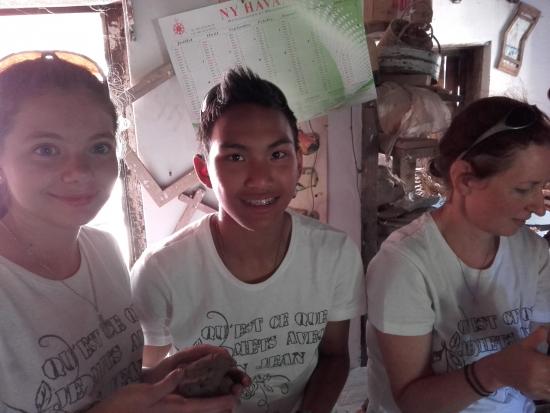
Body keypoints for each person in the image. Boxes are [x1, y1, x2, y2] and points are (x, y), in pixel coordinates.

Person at [0, 50, 245, 413]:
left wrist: (163, 377)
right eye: (46, 149)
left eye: (99, 147)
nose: (79, 171)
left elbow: (109, 386)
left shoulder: (104, 250)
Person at [130, 67, 367, 413]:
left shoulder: (334, 254)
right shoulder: (161, 271)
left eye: (277, 155)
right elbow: (142, 383)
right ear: (204, 170)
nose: (260, 179)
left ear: (298, 163)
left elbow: (334, 356)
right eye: (236, 157)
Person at [365, 96, 550, 413]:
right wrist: (494, 371)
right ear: (464, 179)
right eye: (523, 189)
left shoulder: (533, 253)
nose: (539, 207)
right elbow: (412, 401)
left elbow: (538, 349)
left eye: (543, 187)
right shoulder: (405, 264)